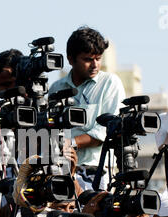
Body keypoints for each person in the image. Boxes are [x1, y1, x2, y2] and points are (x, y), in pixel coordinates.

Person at [49, 26, 126, 191]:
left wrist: (70, 144)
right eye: (88, 59)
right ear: (70, 59)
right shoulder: (56, 88)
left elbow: (106, 131)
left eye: (98, 58)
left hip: (96, 171)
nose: (95, 65)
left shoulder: (110, 83)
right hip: (60, 170)